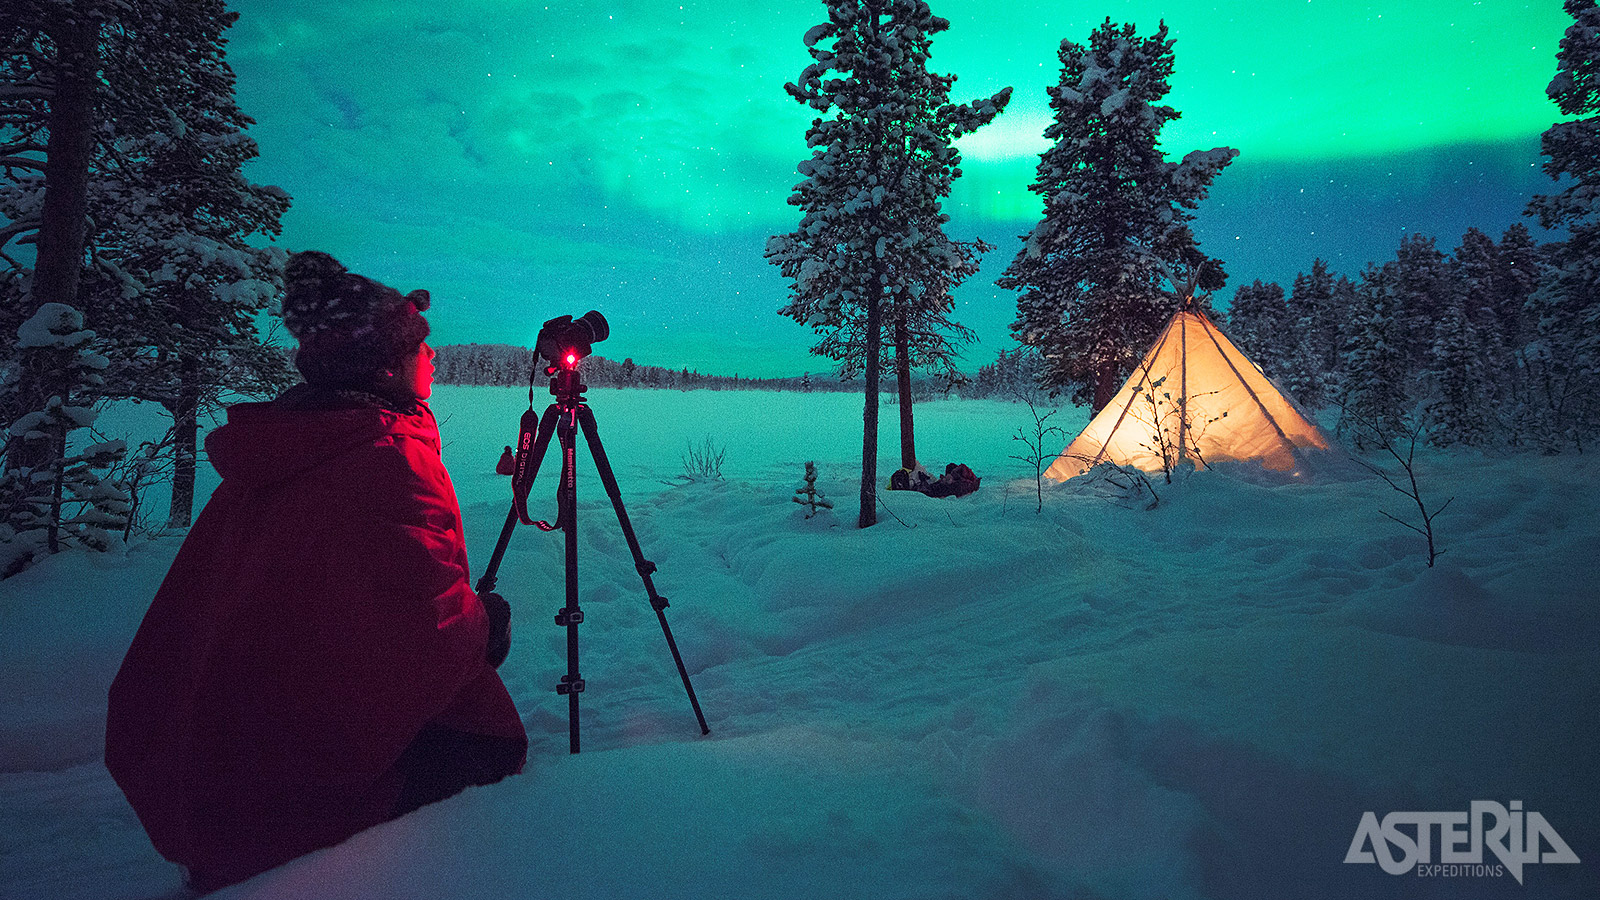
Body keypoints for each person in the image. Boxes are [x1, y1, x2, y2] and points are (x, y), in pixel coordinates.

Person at [105, 251, 527, 894]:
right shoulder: (386, 458)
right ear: (385, 366)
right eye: (422, 345)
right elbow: (428, 636)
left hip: (195, 789)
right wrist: (483, 627)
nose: (434, 357)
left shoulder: (293, 441)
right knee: (495, 751)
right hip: (271, 810)